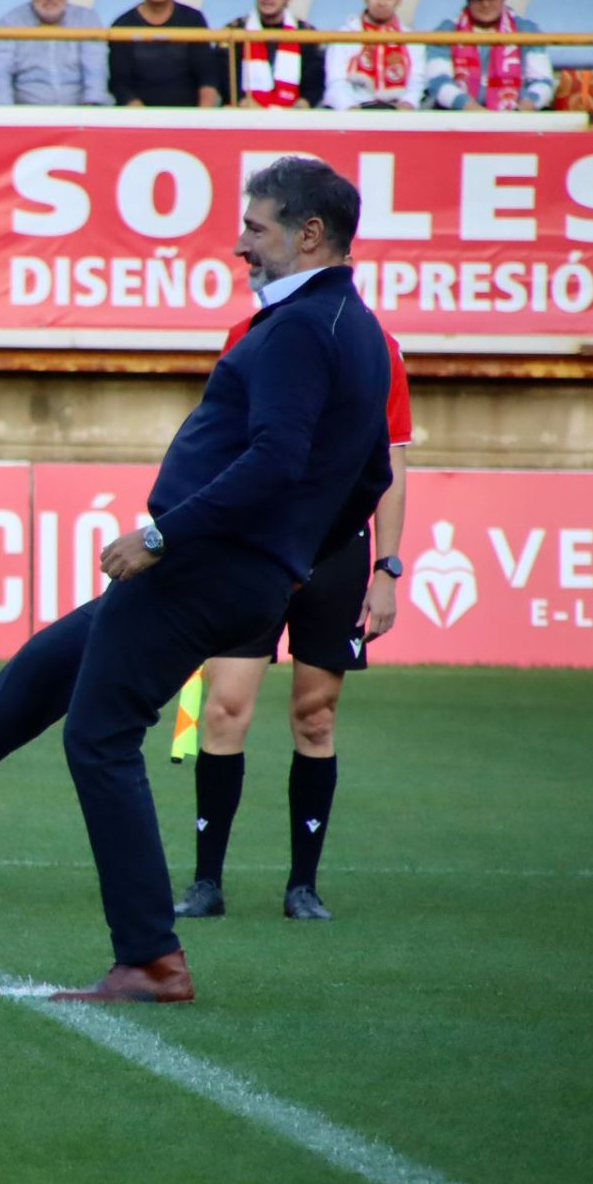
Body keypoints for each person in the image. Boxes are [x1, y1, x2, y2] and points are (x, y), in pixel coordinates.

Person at [0, 157, 392, 1002]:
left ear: (309, 233)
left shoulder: (297, 330)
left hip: (202, 563)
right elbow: (368, 476)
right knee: (44, 671)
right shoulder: (359, 329)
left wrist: (164, 533)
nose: (241, 243)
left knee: (98, 737)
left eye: (257, 227)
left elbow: (276, 457)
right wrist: (291, 558)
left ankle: (151, 957)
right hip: (240, 568)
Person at [176, 303, 411, 923]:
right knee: (224, 708)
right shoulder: (250, 334)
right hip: (251, 547)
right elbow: (219, 439)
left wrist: (388, 568)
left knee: (316, 716)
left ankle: (302, 885)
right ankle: (206, 883)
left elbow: (390, 463)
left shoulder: (376, 345)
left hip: (335, 551)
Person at [424, 0, 554, 113]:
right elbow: (438, 82)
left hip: (515, 118)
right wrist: (472, 109)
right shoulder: (446, 31)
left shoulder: (527, 30)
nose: (485, 4)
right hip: (460, 117)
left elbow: (542, 82)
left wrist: (524, 106)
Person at [0, 0, 109, 107]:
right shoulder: (10, 22)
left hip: (78, 113)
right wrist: (7, 115)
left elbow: (95, 70)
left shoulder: (87, 19)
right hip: (26, 114)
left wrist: (91, 111)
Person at [108, 0, 220, 109]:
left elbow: (207, 77)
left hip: (188, 118)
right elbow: (120, 85)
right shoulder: (122, 25)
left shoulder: (193, 20)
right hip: (139, 121)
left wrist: (202, 119)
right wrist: (148, 121)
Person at [323, 0, 424, 112]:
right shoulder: (345, 34)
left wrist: (408, 103)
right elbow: (335, 83)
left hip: (398, 114)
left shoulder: (412, 38)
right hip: (354, 113)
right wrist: (350, 108)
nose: (381, 2)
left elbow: (417, 81)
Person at [229, 0, 322, 109]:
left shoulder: (305, 34)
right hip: (247, 116)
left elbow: (314, 82)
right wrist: (243, 101)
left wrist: (304, 104)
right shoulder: (236, 31)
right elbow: (227, 78)